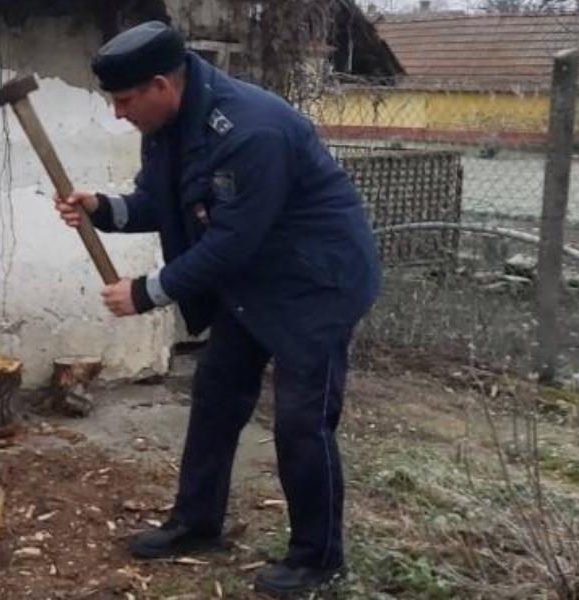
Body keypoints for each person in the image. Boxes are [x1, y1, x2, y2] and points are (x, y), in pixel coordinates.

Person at [55, 20, 381, 596]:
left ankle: (319, 558)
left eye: (126, 100)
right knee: (215, 398)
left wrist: (147, 291)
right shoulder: (168, 125)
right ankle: (197, 522)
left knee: (302, 422)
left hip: (315, 286)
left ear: (161, 84)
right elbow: (161, 199)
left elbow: (232, 240)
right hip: (252, 283)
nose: (118, 113)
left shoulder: (253, 131)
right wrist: (103, 208)